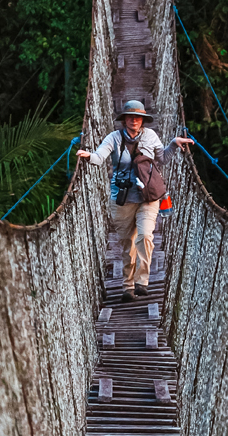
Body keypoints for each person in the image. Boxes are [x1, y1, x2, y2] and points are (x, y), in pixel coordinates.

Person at [77, 101, 192, 301]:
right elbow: (99, 157)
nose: (134, 120)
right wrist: (88, 156)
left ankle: (142, 282)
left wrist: (173, 144)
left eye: (138, 117)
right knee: (127, 245)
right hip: (122, 200)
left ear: (143, 120)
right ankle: (127, 286)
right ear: (124, 120)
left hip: (148, 197)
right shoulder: (113, 138)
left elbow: (161, 159)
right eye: (130, 117)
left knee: (146, 237)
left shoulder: (151, 136)